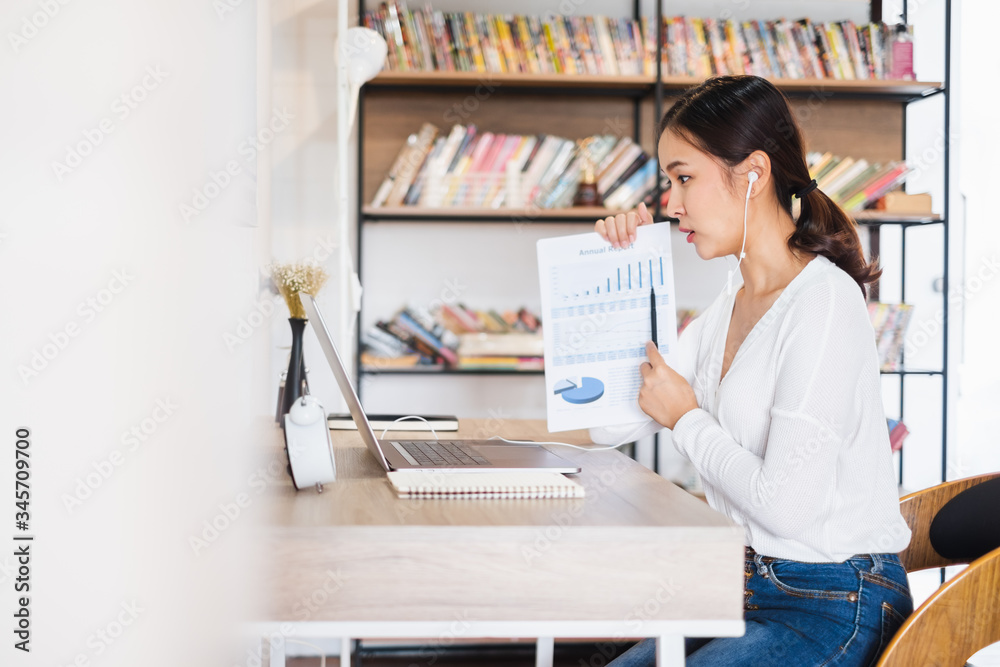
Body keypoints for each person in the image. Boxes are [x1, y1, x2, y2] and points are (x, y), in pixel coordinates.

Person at [592, 75, 915, 667]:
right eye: (669, 182)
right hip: (741, 588)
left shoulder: (823, 303)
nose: (671, 203)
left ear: (753, 174)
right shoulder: (729, 303)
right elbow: (608, 425)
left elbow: (785, 506)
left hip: (835, 598)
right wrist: (621, 277)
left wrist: (687, 419)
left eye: (684, 177)